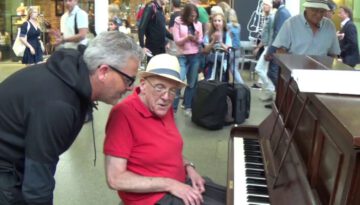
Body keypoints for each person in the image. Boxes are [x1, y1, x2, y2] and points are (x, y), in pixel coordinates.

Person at [0, 31, 143, 205]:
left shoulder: (73, 75)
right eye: (128, 80)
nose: (130, 88)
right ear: (103, 71)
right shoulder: (59, 105)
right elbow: (37, 185)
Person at [104, 53, 225, 205]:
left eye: (173, 90)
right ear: (143, 85)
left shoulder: (161, 106)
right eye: (159, 87)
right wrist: (170, 184)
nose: (167, 97)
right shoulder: (123, 114)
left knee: (232, 197)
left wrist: (189, 167)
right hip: (151, 198)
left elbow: (168, 151)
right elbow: (115, 179)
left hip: (179, 181)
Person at [272, 0, 340, 57]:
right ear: (306, 8)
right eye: (315, 10)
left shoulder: (329, 26)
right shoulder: (291, 24)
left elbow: (333, 54)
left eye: (322, 11)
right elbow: (280, 50)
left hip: (321, 72)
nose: (319, 15)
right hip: (294, 70)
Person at [172, 3, 203, 116]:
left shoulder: (198, 24)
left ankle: (187, 106)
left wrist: (196, 39)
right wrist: (187, 38)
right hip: (182, 55)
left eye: (195, 16)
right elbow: (177, 40)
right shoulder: (178, 21)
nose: (193, 18)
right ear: (186, 14)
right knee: (179, 81)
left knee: (192, 83)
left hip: (194, 55)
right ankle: (173, 108)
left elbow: (201, 40)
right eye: (191, 16)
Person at [263, 0, 291, 108]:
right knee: (275, 74)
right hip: (281, 50)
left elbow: (278, 34)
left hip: (280, 50)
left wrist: (270, 51)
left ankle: (281, 101)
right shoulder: (283, 12)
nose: (272, 1)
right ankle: (279, 101)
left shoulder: (282, 13)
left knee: (273, 73)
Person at [253, 0, 275, 100]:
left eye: (266, 5)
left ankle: (271, 88)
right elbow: (264, 36)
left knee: (259, 68)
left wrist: (268, 49)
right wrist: (258, 47)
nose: (264, 6)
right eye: (263, 5)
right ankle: (269, 89)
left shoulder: (271, 18)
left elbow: (271, 35)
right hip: (267, 47)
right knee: (264, 70)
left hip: (269, 48)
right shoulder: (266, 18)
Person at [203, 13, 232, 80]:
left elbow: (229, 49)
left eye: (219, 21)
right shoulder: (208, 34)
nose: (217, 23)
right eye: (215, 21)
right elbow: (206, 50)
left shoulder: (226, 34)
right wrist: (213, 41)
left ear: (223, 22)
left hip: (223, 63)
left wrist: (220, 42)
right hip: (211, 63)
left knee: (223, 81)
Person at [227, 9, 244, 84]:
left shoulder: (228, 26)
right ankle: (242, 85)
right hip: (238, 50)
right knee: (234, 69)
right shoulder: (238, 25)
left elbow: (228, 37)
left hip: (231, 50)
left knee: (225, 68)